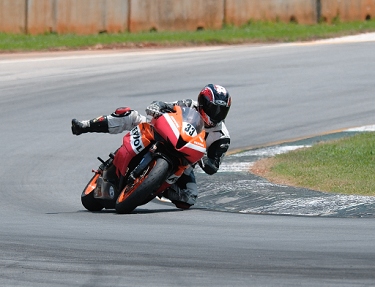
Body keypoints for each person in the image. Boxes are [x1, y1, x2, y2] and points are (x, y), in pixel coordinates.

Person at [71, 84, 231, 209]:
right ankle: (85, 125)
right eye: (213, 108)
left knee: (188, 199)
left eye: (221, 111)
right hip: (165, 134)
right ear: (203, 102)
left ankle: (156, 186)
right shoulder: (189, 104)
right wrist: (157, 107)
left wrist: (202, 158)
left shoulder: (222, 137)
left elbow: (213, 167)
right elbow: (165, 106)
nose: (216, 114)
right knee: (129, 115)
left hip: (185, 161)